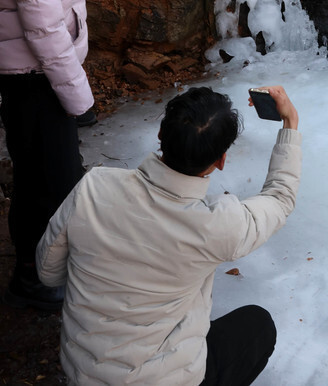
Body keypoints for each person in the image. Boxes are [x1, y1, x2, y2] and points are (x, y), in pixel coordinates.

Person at [37, 84, 302, 386]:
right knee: (257, 327)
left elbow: (48, 272)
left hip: (82, 373)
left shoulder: (94, 186)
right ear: (221, 160)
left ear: (161, 135)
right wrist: (290, 122)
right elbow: (280, 198)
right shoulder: (220, 225)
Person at [0, 0, 94, 312]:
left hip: (35, 82)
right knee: (52, 185)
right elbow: (46, 33)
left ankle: (36, 274)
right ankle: (37, 281)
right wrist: (81, 99)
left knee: (41, 177)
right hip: (38, 82)